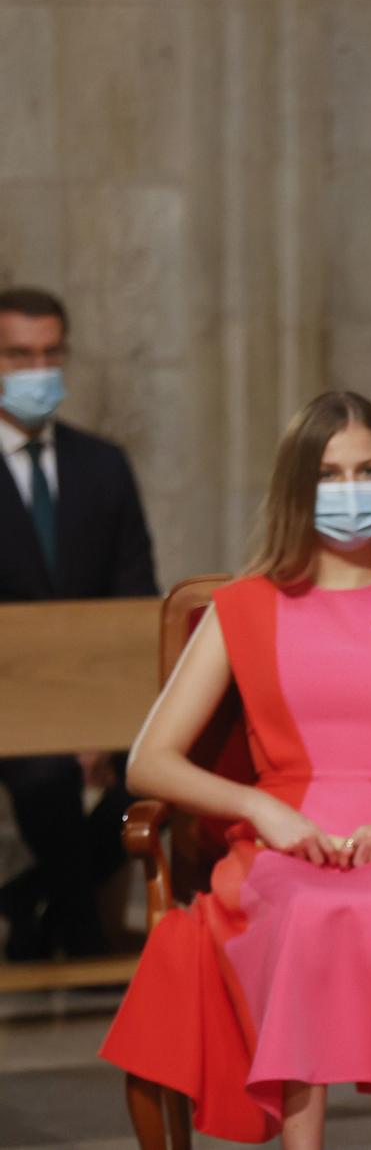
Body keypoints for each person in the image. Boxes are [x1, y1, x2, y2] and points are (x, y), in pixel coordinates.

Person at [98, 390, 371, 1150]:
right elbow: (149, 760)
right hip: (278, 842)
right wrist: (261, 808)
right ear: (296, 489)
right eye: (330, 473)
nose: (350, 489)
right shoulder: (240, 608)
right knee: (307, 911)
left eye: (366, 469)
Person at [0, 285, 157, 960]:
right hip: (11, 707)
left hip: (103, 699)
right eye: (18, 354)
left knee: (159, 775)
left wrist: (95, 719)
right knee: (43, 777)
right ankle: (81, 930)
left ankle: (29, 902)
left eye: (49, 354)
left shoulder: (103, 466)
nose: (37, 371)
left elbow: (135, 594)